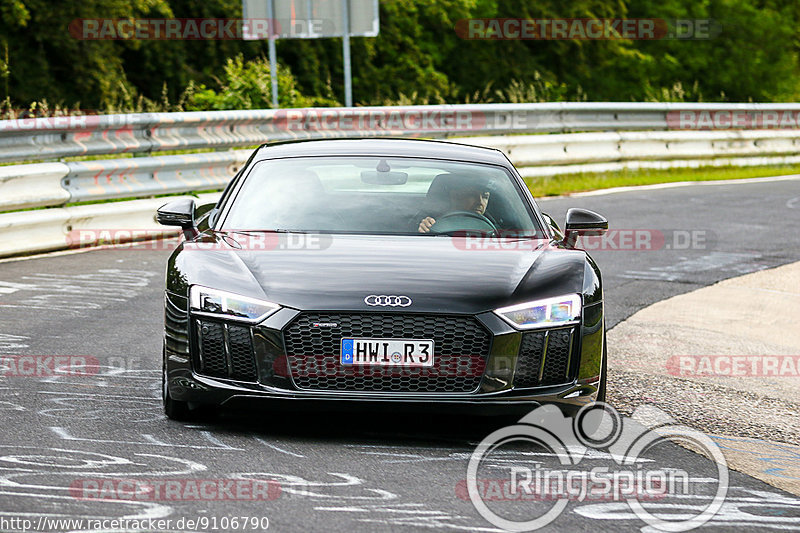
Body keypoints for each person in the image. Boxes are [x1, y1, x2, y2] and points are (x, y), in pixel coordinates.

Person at [417, 176, 492, 233]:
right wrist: (424, 230)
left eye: (485, 197)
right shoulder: (430, 222)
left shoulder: (496, 229)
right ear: (455, 196)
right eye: (472, 195)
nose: (480, 202)